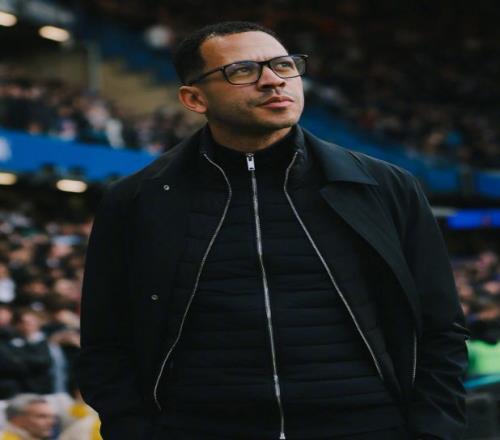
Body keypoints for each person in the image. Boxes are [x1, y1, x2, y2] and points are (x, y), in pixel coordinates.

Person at [76, 21, 469, 440]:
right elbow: (106, 340)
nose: (273, 80)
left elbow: (440, 326)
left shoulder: (385, 187)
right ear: (194, 98)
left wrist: (434, 431)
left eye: (284, 65)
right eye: (242, 70)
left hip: (367, 426)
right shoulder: (137, 201)